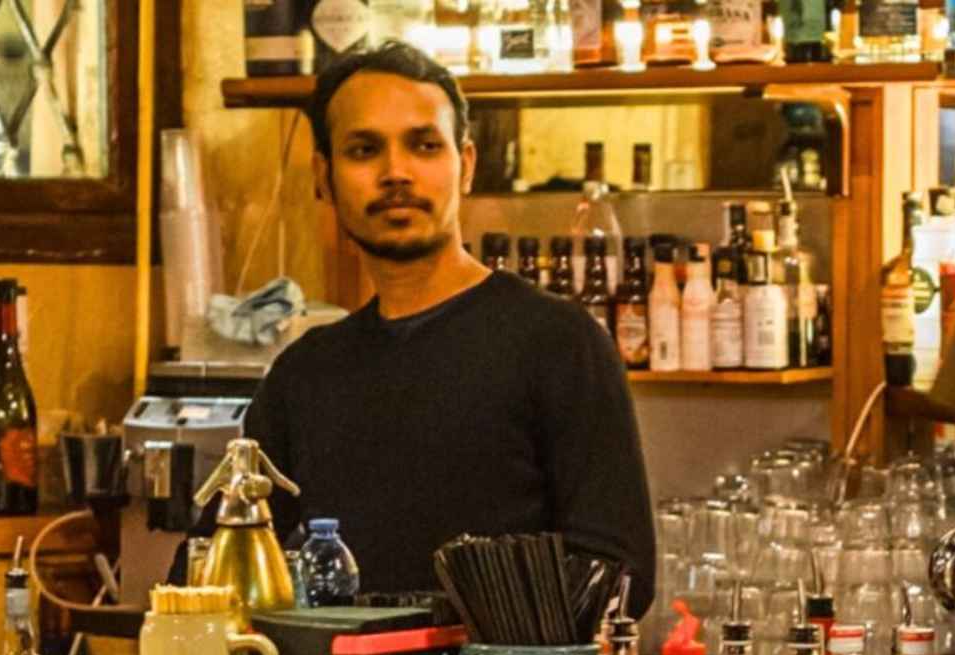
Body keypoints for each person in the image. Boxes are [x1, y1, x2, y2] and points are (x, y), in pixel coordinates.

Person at [181, 42, 656, 615]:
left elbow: (619, 573)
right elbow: (207, 569)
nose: (396, 173)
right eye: (364, 150)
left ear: (466, 165)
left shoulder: (558, 343)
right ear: (324, 178)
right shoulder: (304, 374)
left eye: (424, 145)